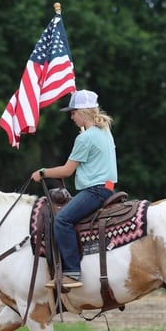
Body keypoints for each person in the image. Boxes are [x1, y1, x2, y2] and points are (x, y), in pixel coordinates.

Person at [31, 89, 118, 289]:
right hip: (106, 188)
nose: (71, 116)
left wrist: (42, 172)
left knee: (62, 220)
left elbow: (67, 170)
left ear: (84, 112)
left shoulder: (85, 138)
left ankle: (71, 272)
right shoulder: (104, 132)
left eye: (73, 112)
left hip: (94, 191)